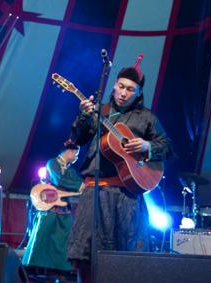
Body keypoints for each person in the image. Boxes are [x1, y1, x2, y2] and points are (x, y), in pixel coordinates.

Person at [67, 56, 176, 282]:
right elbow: (77, 139)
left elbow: (168, 148)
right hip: (95, 191)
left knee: (126, 253)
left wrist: (148, 146)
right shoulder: (101, 110)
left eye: (130, 89)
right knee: (85, 251)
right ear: (114, 85)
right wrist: (83, 116)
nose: (124, 93)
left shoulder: (147, 118)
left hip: (127, 194)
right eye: (121, 86)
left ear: (138, 93)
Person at [22, 142, 84, 281]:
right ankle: (31, 270)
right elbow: (60, 180)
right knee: (42, 240)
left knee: (65, 242)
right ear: (69, 151)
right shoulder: (52, 164)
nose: (76, 157)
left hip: (64, 211)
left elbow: (75, 183)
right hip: (49, 209)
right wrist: (80, 186)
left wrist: (80, 186)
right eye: (76, 153)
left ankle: (61, 272)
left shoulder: (71, 171)